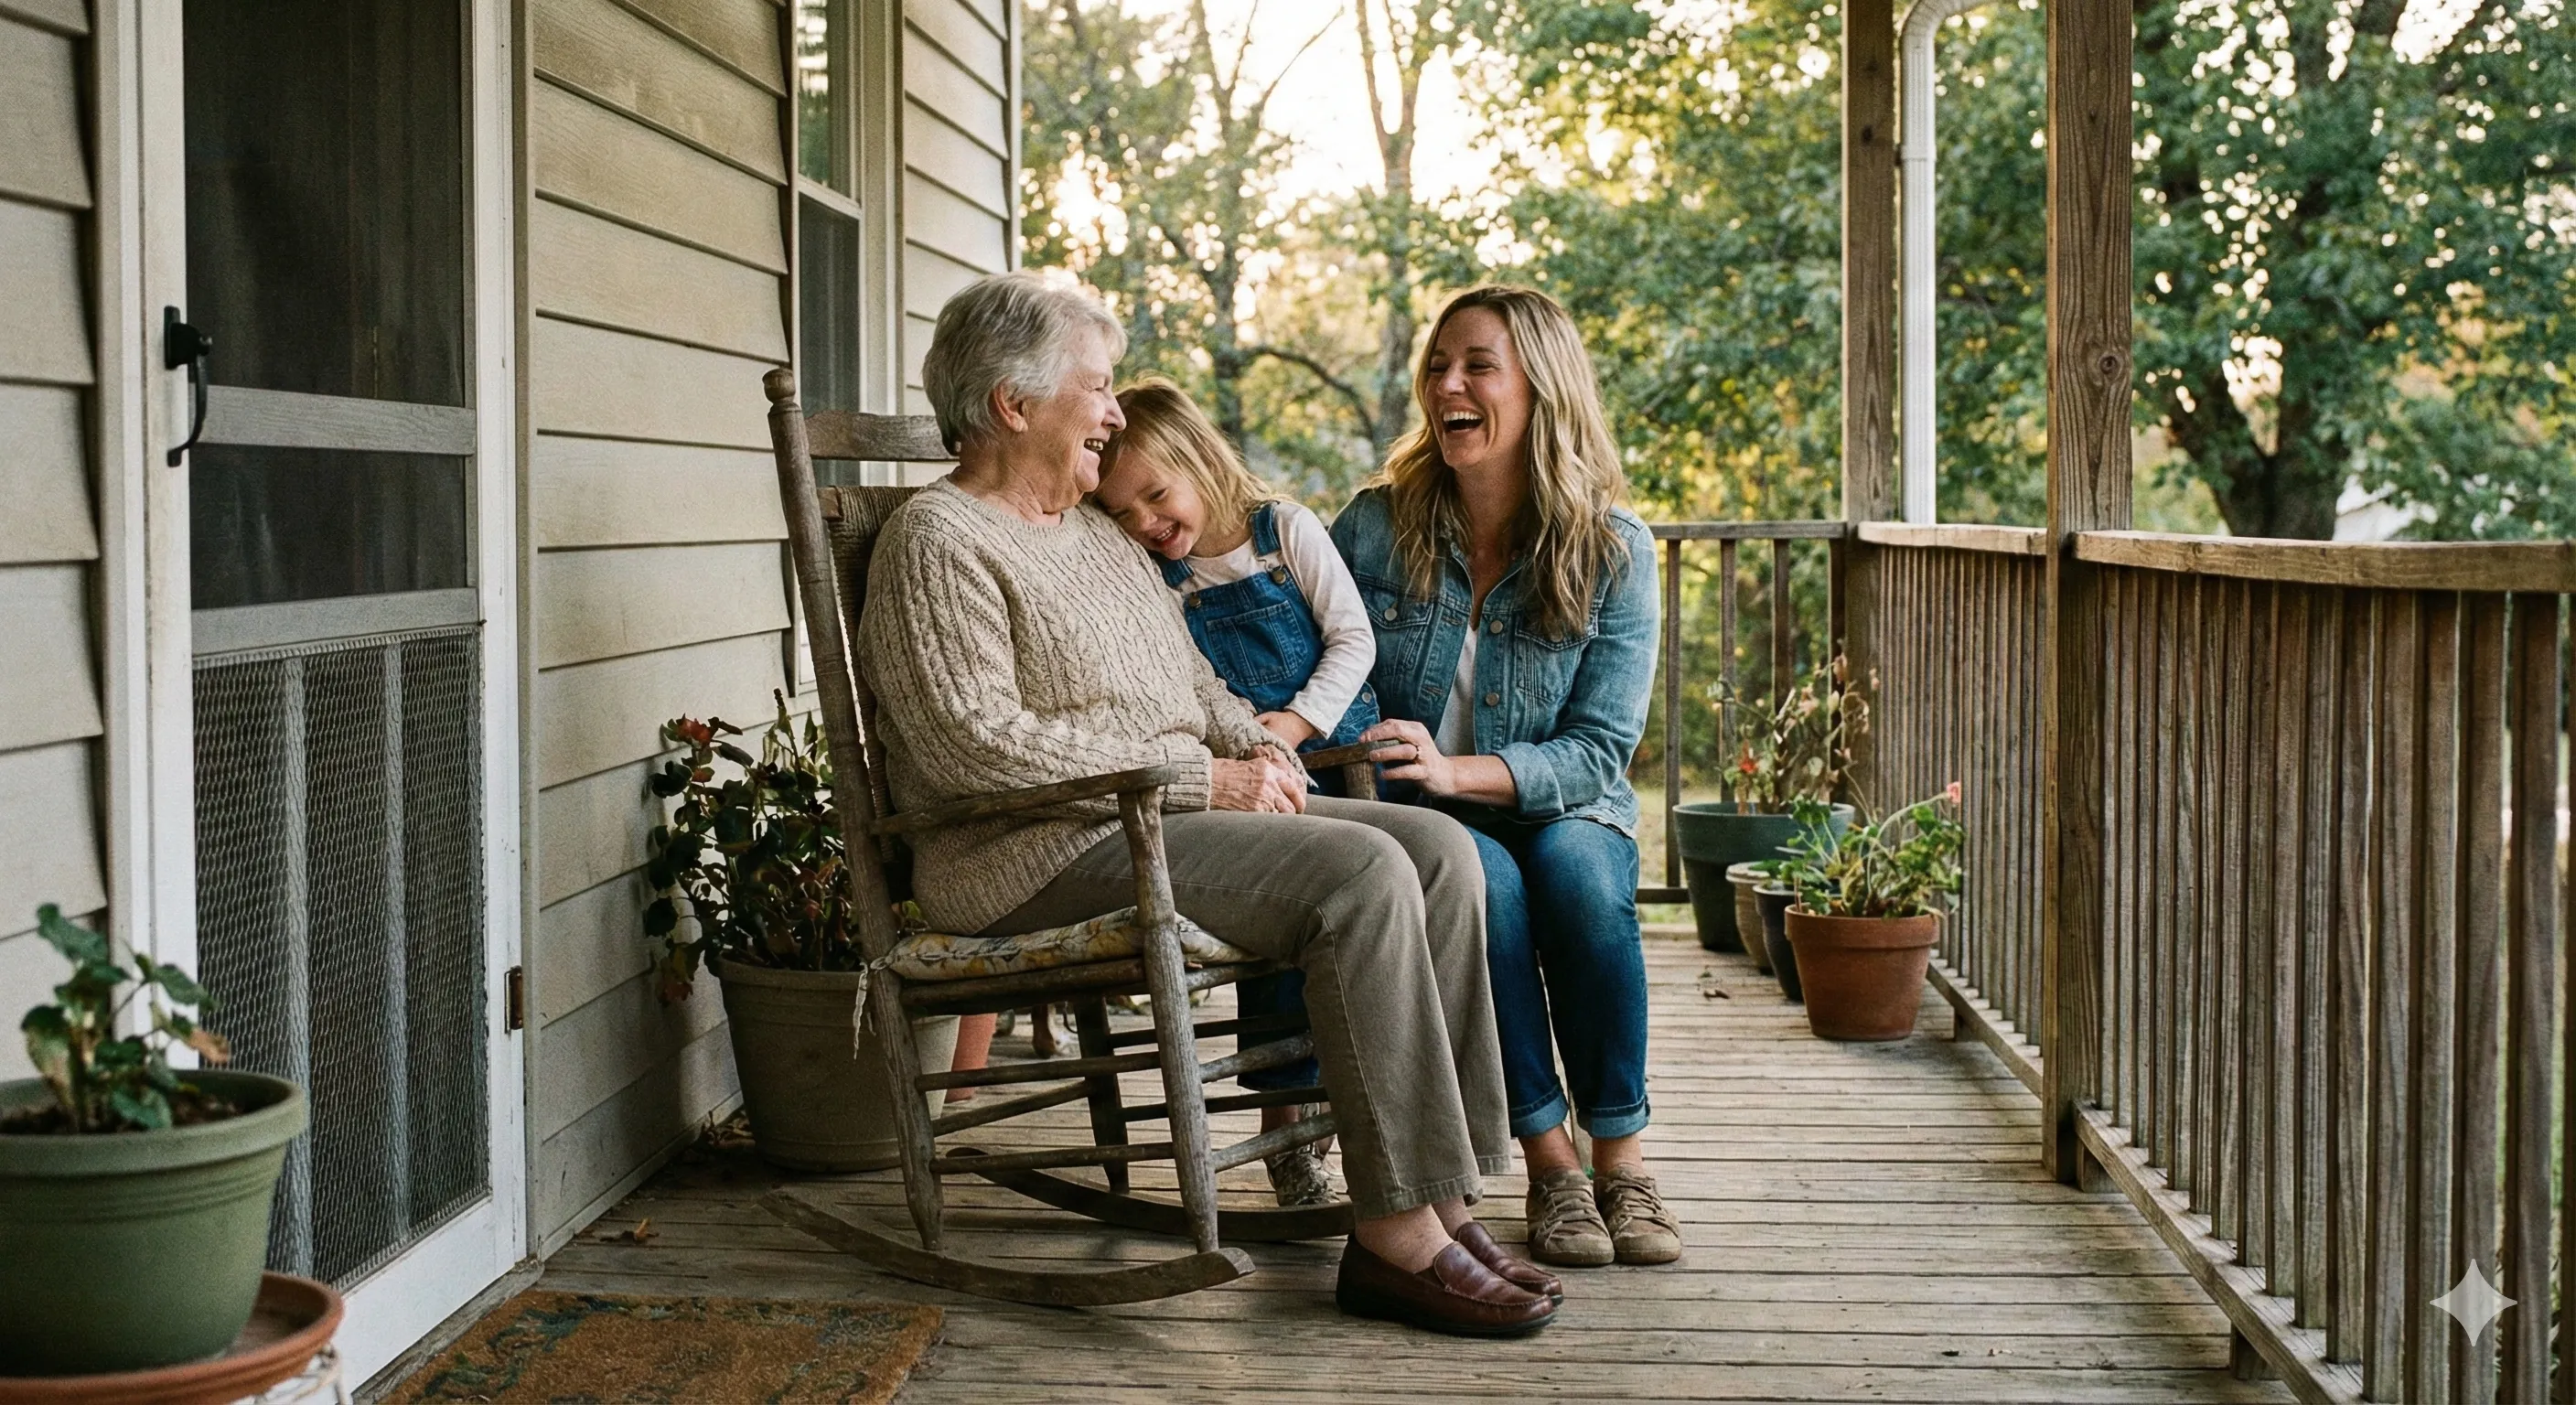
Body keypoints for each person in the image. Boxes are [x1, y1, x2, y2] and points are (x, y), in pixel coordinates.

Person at [856, 270, 1560, 1334]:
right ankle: (1394, 1240)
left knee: (1434, 850)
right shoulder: (937, 542)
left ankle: (1445, 1196)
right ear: (1012, 404)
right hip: (1032, 856)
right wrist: (1201, 778)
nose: (1110, 412)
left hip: (1155, 821)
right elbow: (972, 749)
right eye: (1094, 390)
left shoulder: (1094, 536)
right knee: (1361, 874)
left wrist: (1256, 751)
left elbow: (1194, 686)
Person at [1330, 284, 1681, 1269]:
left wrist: (1460, 769)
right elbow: (1307, 646)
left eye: (1477, 365)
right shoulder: (1371, 527)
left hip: (1562, 799)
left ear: (1539, 387)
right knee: (1479, 881)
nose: (1448, 383)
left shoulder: (1612, 549)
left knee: (1574, 874)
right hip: (1424, 810)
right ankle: (1552, 1166)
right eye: (1438, 365)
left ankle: (1624, 1161)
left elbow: (1597, 752)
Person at [1092, 378, 1381, 1210]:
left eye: (1155, 493)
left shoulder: (1280, 531)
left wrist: (1292, 726)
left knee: (1377, 917)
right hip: (1248, 782)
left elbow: (1353, 638)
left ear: (1202, 459)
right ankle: (1287, 1138)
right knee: (1274, 953)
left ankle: (1355, 1101)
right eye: (1122, 512)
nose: (1147, 521)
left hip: (1337, 753)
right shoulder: (1163, 578)